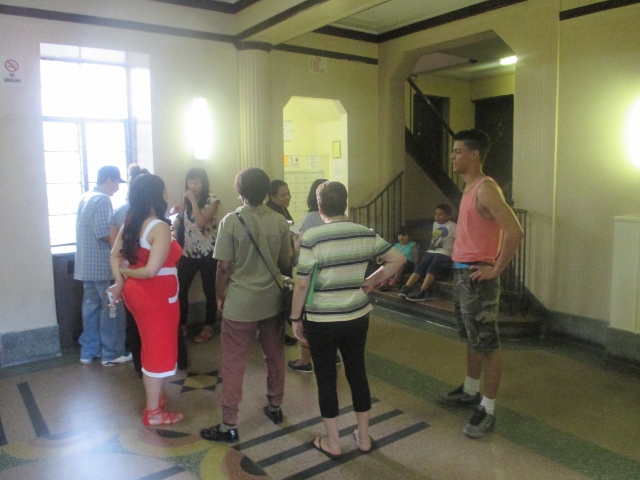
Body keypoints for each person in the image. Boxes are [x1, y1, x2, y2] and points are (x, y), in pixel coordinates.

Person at [290, 181, 406, 459]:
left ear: (319, 208)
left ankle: (333, 442)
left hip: (321, 319)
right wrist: (371, 281)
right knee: (357, 373)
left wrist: (295, 318)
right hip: (356, 316)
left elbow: (302, 284)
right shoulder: (364, 233)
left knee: (327, 378)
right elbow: (397, 258)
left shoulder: (313, 237)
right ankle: (364, 437)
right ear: (346, 203)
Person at [437, 130, 523, 439]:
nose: (453, 156)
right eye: (453, 151)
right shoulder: (469, 188)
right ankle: (470, 391)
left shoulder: (486, 189)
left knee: (488, 344)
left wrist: (495, 270)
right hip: (462, 274)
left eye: (458, 151)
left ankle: (487, 407)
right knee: (473, 339)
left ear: (474, 155)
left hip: (478, 278)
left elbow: (514, 231)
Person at [200, 167, 292, 444]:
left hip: (240, 303)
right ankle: (275, 407)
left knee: (233, 363)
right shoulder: (279, 221)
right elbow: (286, 262)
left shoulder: (230, 221)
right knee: (274, 354)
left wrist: (219, 296)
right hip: (271, 301)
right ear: (266, 192)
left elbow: (224, 267)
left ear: (240, 192)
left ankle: (229, 423)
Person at [107, 174, 184, 426]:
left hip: (138, 294)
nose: (167, 193)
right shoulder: (158, 227)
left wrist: (120, 282)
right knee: (157, 349)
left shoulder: (131, 221)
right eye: (164, 189)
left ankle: (156, 398)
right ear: (156, 195)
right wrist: (127, 274)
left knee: (150, 344)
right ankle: (153, 411)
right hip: (156, 296)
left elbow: (114, 255)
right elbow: (151, 270)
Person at [75, 165, 132, 367]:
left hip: (85, 268)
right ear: (108, 180)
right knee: (111, 309)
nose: (117, 188)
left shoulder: (86, 197)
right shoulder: (102, 200)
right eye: (116, 183)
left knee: (90, 309)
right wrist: (124, 245)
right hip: (103, 268)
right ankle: (112, 352)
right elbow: (104, 233)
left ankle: (89, 351)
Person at [287, 178, 336, 373]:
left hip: (313, 274)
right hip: (331, 273)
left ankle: (305, 360)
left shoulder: (310, 218)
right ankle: (334, 354)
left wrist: (294, 239)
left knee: (308, 319)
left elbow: (299, 247)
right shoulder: (342, 218)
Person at [109, 164, 149, 375]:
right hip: (146, 279)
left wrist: (121, 277)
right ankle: (152, 368)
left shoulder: (120, 213)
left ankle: (138, 365)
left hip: (128, 277)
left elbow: (115, 250)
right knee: (149, 328)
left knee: (133, 324)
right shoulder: (154, 220)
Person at [173, 168, 220, 344]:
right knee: (181, 288)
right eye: (190, 182)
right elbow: (183, 221)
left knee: (209, 290)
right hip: (188, 251)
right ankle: (182, 324)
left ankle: (209, 326)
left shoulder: (212, 199)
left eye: (197, 182)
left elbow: (201, 221)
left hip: (208, 251)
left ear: (204, 182)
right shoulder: (187, 198)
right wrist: (177, 213)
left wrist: (192, 200)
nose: (193, 186)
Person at [398, 205, 457, 301]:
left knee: (432, 267)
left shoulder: (454, 226)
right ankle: (406, 288)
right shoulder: (435, 224)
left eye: (440, 214)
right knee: (421, 266)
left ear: (448, 216)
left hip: (444, 253)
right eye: (436, 214)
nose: (437, 216)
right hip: (432, 251)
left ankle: (422, 291)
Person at [266, 179, 297, 345]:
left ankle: (282, 332)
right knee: (280, 298)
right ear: (272, 196)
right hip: (278, 261)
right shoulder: (272, 213)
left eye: (288, 194)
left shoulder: (282, 210)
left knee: (284, 297)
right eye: (283, 195)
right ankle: (279, 333)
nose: (287, 197)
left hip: (285, 260)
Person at [379, 225, 419, 291]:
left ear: (410, 237)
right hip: (398, 263)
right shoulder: (397, 245)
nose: (401, 237)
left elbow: (416, 259)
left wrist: (416, 268)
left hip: (409, 264)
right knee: (388, 263)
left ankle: (396, 280)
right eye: (399, 235)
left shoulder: (412, 245)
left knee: (400, 263)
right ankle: (385, 280)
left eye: (404, 235)